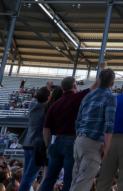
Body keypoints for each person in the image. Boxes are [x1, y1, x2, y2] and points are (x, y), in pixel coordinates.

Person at [38, 62, 106, 191]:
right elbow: (97, 84)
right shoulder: (77, 97)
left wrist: (48, 146)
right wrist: (103, 68)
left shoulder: (54, 105)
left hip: (56, 142)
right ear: (75, 86)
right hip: (72, 141)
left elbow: (46, 129)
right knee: (69, 178)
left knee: (49, 178)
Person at [70, 68, 117, 191]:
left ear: (98, 80)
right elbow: (109, 124)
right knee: (83, 184)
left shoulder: (88, 95)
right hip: (93, 142)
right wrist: (106, 147)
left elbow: (78, 121)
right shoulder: (110, 97)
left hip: (80, 140)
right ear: (112, 83)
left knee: (76, 181)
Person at [18, 85, 51, 191]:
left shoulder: (32, 104)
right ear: (48, 98)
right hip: (37, 145)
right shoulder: (47, 107)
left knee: (26, 175)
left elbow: (39, 98)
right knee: (30, 177)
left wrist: (46, 90)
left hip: (27, 143)